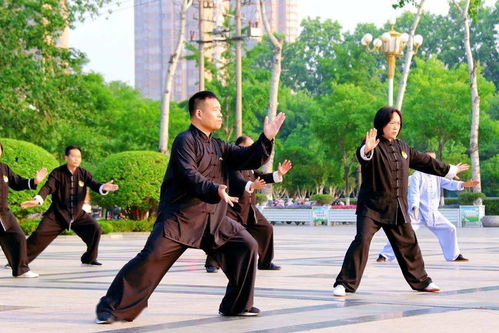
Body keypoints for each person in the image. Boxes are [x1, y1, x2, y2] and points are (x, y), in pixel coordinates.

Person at [95, 91, 285, 324]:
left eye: (220, 111)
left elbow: (248, 158)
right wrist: (215, 188)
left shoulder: (219, 146)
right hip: (181, 218)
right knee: (151, 258)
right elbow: (188, 174)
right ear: (198, 113)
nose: (220, 114)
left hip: (213, 218)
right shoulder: (184, 140)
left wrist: (265, 139)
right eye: (215, 110)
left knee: (246, 245)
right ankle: (111, 307)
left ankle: (237, 305)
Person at [332, 106, 469, 297]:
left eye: (398, 123)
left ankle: (423, 282)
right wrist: (366, 150)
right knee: (361, 241)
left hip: (396, 208)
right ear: (381, 124)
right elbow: (363, 155)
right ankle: (344, 284)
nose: (395, 127)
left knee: (409, 243)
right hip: (371, 207)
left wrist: (449, 169)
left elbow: (425, 162)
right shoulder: (372, 144)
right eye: (391, 123)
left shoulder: (403, 148)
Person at [204, 135, 292, 273]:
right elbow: (237, 181)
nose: (252, 149)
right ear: (238, 148)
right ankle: (212, 263)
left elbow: (262, 177)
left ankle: (265, 262)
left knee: (266, 229)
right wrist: (252, 185)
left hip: (249, 209)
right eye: (249, 147)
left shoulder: (250, 166)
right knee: (222, 233)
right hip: (232, 208)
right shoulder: (231, 163)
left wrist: (278, 174)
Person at [21, 145, 119, 266]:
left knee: (95, 229)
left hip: (77, 214)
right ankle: (18, 259)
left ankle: (89, 258)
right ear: (66, 157)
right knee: (39, 234)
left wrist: (103, 187)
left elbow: (95, 185)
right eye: (73, 156)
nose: (76, 159)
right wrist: (38, 199)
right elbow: (48, 187)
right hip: (57, 214)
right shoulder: (57, 173)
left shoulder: (83, 173)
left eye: (79, 157)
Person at [377, 151, 479, 263]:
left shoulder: (437, 175)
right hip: (417, 213)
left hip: (433, 213)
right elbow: (413, 192)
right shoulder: (417, 175)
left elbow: (449, 183)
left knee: (450, 229)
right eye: (430, 159)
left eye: (434, 160)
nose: (433, 162)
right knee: (403, 232)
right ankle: (385, 255)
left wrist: (464, 184)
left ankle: (454, 256)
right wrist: (414, 207)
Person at [0, 142, 47, 278]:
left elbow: (17, 182)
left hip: (4, 214)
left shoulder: (4, 169)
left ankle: (21, 270)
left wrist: (34, 181)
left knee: (19, 236)